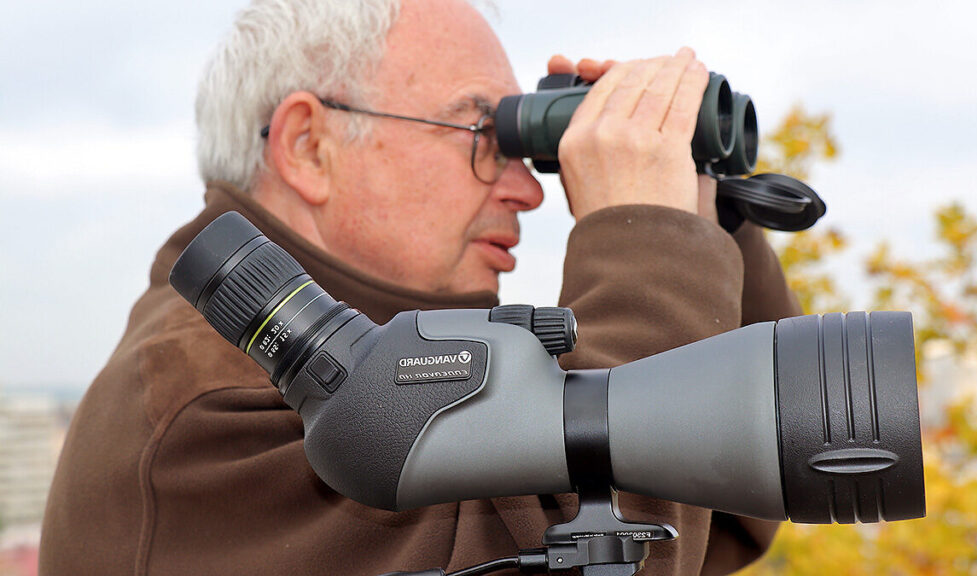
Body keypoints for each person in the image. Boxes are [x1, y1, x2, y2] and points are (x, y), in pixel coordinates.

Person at [39, 0, 800, 574]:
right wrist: (645, 229)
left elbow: (724, 502)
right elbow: (606, 543)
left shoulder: (376, 379)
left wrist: (704, 209)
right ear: (309, 147)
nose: (529, 193)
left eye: (522, 145)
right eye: (482, 135)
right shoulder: (206, 414)